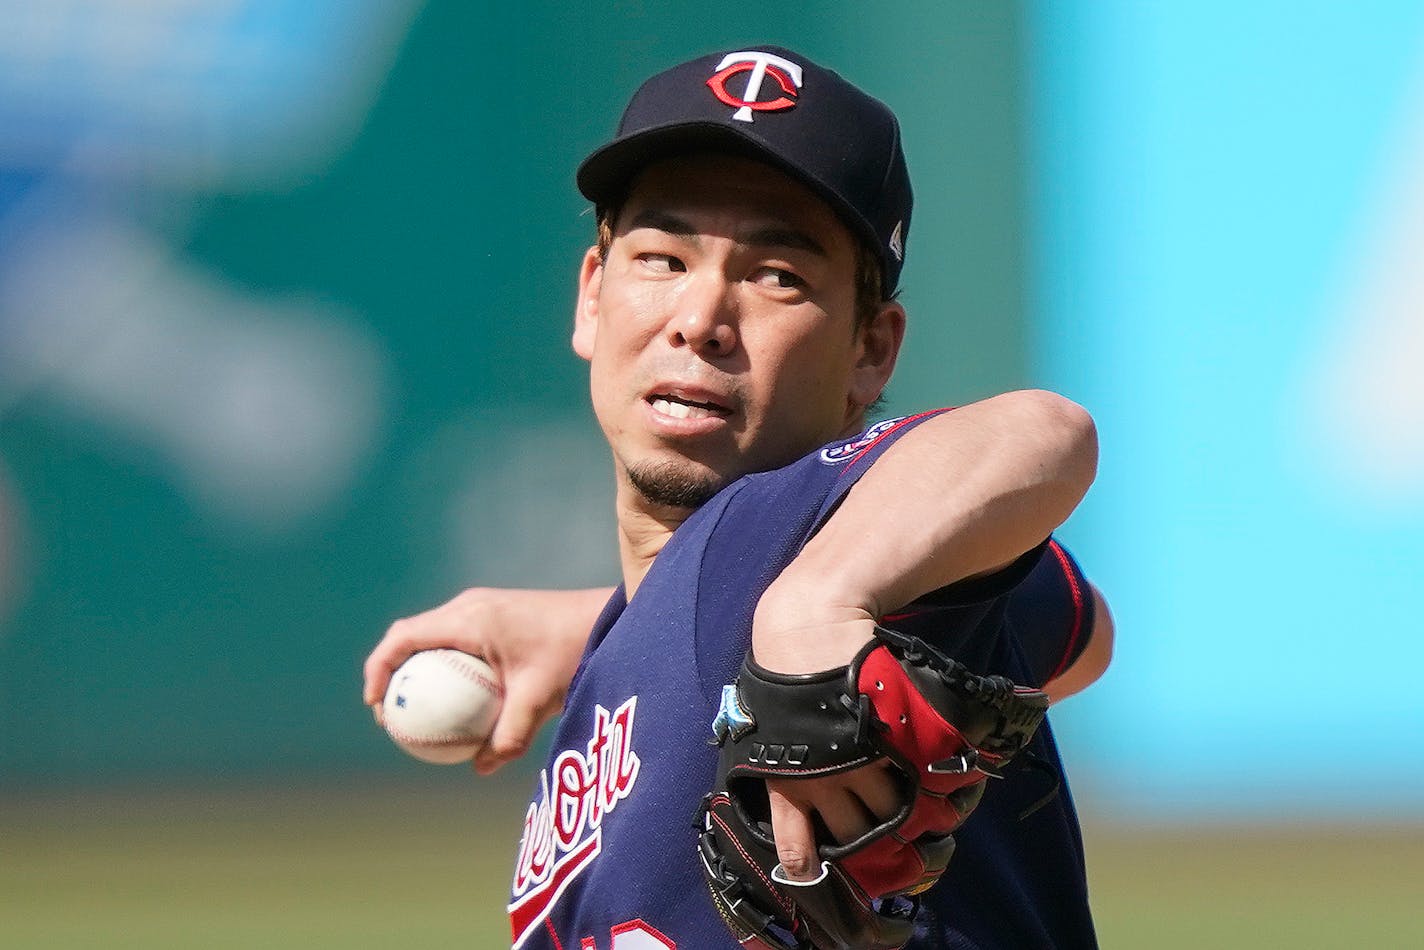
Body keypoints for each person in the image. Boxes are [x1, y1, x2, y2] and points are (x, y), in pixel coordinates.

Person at [364, 45, 1113, 949]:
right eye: (661, 257)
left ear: (871, 350)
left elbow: (1042, 433)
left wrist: (811, 606)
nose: (700, 319)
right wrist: (602, 631)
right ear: (592, 295)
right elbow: (1079, 632)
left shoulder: (803, 545)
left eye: (777, 276)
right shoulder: (838, 592)